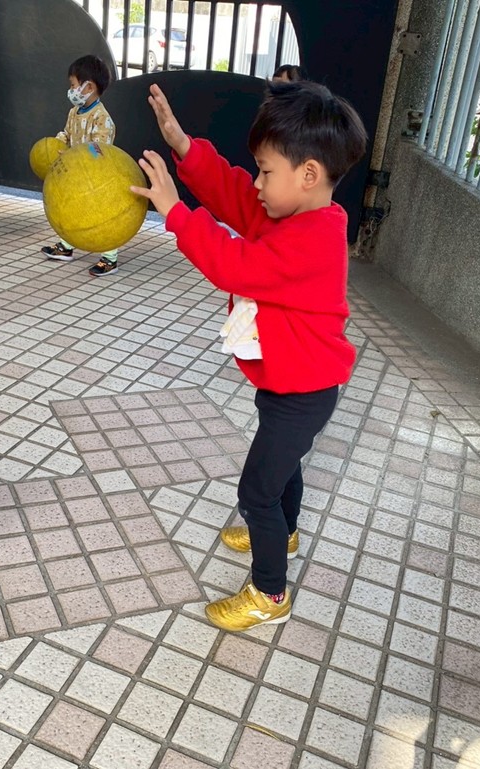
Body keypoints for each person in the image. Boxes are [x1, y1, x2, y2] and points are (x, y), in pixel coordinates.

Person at [132, 81, 368, 632]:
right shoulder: (292, 213)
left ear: (308, 174)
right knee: (284, 468)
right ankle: (285, 532)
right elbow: (235, 194)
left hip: (303, 392)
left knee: (257, 491)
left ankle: (269, 593)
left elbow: (233, 266)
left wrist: (175, 212)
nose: (256, 182)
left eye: (265, 171)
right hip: (289, 382)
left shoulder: (311, 241)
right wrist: (184, 146)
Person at [40, 54, 121, 277]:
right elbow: (67, 134)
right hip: (76, 174)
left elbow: (99, 150)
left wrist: (73, 154)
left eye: (73, 85)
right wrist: (56, 144)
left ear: (89, 87)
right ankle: (66, 246)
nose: (71, 90)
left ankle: (110, 257)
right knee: (70, 208)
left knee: (102, 214)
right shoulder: (74, 113)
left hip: (97, 178)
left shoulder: (102, 118)